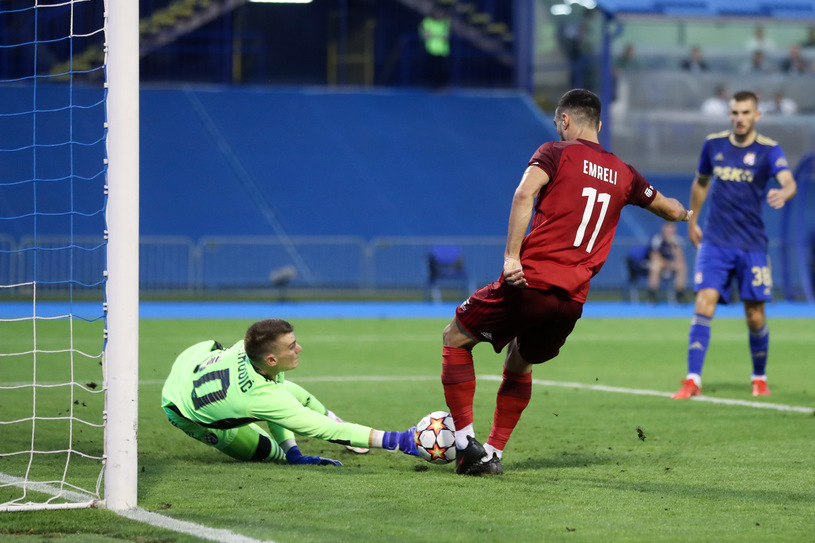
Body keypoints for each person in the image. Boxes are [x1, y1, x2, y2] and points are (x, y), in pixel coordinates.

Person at [439, 89, 692, 476]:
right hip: (571, 302)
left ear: (564, 120)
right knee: (520, 362)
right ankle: (493, 454)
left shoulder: (555, 152)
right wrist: (688, 212)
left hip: (532, 283)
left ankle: (464, 443)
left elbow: (524, 193)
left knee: (455, 337)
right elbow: (669, 208)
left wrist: (510, 258)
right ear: (600, 125)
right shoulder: (624, 173)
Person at [671, 91, 797, 400]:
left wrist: (784, 193)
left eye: (745, 113)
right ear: (730, 115)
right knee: (704, 302)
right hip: (715, 241)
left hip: (752, 244)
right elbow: (700, 183)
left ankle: (759, 377)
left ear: (757, 116)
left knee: (755, 315)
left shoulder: (769, 151)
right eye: (735, 113)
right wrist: (692, 219)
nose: (739, 118)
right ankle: (692, 380)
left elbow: (789, 181)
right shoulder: (714, 145)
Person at [161, 318, 419, 465]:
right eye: (292, 346)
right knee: (273, 454)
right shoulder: (262, 395)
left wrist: (295, 449)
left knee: (294, 395)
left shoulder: (251, 350)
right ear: (272, 360)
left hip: (194, 361)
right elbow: (323, 430)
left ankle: (332, 414)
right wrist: (400, 440)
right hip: (182, 407)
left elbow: (273, 405)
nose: (300, 349)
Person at [646, 222, 688, 304]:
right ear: (663, 229)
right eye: (667, 229)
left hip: (671, 265)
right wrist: (668, 264)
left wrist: (673, 244)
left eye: (671, 230)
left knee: (682, 267)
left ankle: (680, 297)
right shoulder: (657, 239)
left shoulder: (677, 240)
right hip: (660, 264)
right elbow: (654, 256)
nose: (668, 232)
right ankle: (652, 297)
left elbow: (680, 259)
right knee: (655, 266)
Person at [418, 7, 451, 89]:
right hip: (431, 49)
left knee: (442, 70)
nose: (438, 14)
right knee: (432, 69)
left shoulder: (445, 22)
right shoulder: (427, 22)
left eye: (440, 12)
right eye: (437, 12)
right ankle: (432, 86)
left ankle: (442, 86)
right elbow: (425, 36)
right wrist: (438, 36)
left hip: (443, 50)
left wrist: (433, 35)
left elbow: (446, 37)